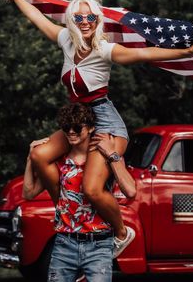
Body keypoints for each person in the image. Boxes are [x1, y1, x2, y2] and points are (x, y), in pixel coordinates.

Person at [4, 0, 193, 257]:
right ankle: (65, 209)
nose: (85, 22)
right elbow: (37, 18)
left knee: (92, 188)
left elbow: (146, 54)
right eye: (79, 18)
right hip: (78, 121)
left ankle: (122, 233)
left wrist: (184, 53)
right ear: (71, 21)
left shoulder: (105, 50)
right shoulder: (65, 39)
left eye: (91, 18)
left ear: (98, 21)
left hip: (105, 123)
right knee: (40, 155)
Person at [23, 103, 136, 282]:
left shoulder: (104, 160)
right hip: (64, 244)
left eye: (77, 127)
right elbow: (28, 193)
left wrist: (113, 155)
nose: (71, 132)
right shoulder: (59, 162)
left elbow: (130, 190)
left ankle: (122, 234)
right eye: (67, 128)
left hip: (98, 244)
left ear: (91, 128)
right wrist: (31, 158)